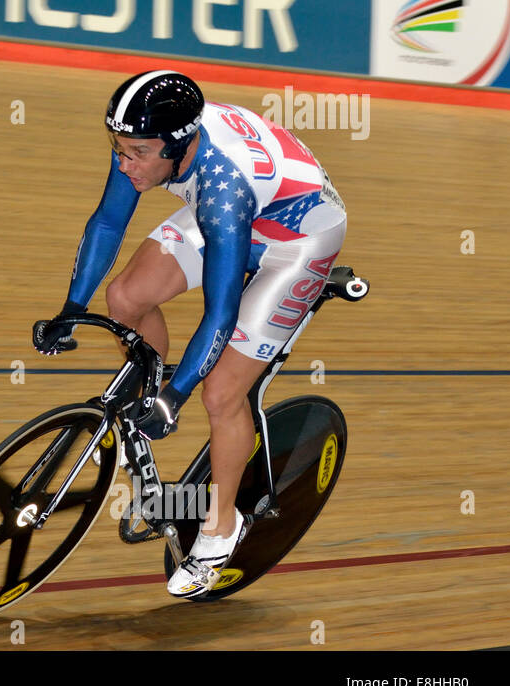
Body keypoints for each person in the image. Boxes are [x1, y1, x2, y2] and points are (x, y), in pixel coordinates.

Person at [32, 71, 346, 598]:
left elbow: (220, 314)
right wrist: (70, 308)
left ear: (177, 147)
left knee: (222, 393)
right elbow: (108, 224)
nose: (125, 162)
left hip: (295, 243)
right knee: (126, 299)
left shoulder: (223, 189)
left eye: (137, 153)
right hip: (242, 213)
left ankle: (221, 526)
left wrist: (176, 398)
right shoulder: (150, 140)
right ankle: (148, 391)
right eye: (120, 148)